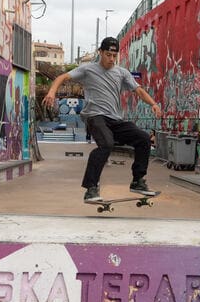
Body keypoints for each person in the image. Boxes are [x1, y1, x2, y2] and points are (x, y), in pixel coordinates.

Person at [43, 37, 162, 202]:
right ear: (100, 52)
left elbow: (139, 91)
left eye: (114, 55)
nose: (111, 59)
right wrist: (51, 92)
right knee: (106, 144)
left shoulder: (122, 73)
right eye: (108, 55)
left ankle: (138, 181)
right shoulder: (87, 70)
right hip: (95, 117)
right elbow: (62, 77)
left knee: (143, 139)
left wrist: (153, 104)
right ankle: (91, 188)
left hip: (115, 120)